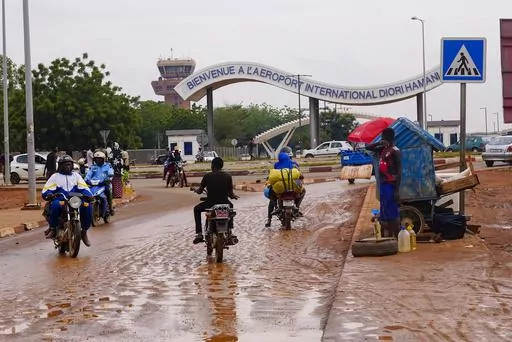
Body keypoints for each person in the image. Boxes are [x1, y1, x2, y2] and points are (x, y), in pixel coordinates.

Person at [41, 155, 94, 246]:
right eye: (65, 165)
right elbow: (46, 190)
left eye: (69, 164)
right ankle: (53, 228)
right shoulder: (55, 176)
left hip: (75, 200)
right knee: (55, 205)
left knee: (87, 206)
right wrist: (49, 194)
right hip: (61, 200)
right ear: (60, 166)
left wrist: (89, 196)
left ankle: (84, 232)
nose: (68, 167)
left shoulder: (76, 176)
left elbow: (84, 188)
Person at [365, 127, 402, 237]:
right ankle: (388, 236)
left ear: (388, 138)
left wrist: (396, 190)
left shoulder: (395, 151)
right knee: (385, 212)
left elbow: (399, 172)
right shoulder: (382, 149)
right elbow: (368, 147)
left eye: (383, 138)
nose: (382, 139)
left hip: (391, 185)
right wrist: (378, 143)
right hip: (383, 185)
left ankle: (395, 236)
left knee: (392, 214)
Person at [193, 157, 239, 244]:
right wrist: (234, 196)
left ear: (212, 166)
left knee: (196, 209)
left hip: (210, 204)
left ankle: (199, 233)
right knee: (231, 207)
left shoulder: (207, 176)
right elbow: (231, 193)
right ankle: (230, 230)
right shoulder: (228, 176)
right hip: (225, 203)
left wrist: (195, 190)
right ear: (221, 166)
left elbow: (199, 191)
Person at [265, 147, 305, 228]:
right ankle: (297, 207)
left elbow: (273, 176)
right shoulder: (295, 164)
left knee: (271, 196)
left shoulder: (277, 164)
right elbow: (300, 176)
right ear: (290, 156)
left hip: (280, 190)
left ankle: (269, 219)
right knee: (303, 191)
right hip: (292, 188)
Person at [85, 151, 114, 215]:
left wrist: (108, 179)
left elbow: (111, 173)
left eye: (100, 159)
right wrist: (86, 180)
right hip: (94, 185)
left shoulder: (107, 166)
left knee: (108, 192)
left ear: (103, 159)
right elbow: (88, 175)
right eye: (96, 159)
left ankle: (110, 208)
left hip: (104, 184)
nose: (98, 160)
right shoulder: (93, 167)